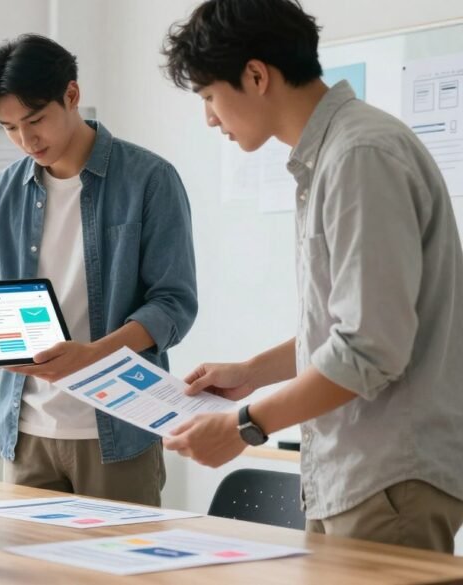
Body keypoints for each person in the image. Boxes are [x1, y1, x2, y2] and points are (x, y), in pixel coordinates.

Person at [160, 0, 463, 552]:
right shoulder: (335, 154)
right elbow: (353, 326)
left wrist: (244, 424)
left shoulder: (360, 155)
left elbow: (369, 348)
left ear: (256, 76)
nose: (210, 118)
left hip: (386, 476)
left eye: (208, 96)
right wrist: (253, 373)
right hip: (356, 474)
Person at [0, 34, 197, 505]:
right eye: (10, 128)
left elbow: (173, 304)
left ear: (71, 95)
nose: (26, 140)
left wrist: (93, 355)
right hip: (26, 431)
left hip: (120, 428)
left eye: (35, 120)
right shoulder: (3, 193)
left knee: (122, 555)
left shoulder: (150, 179)